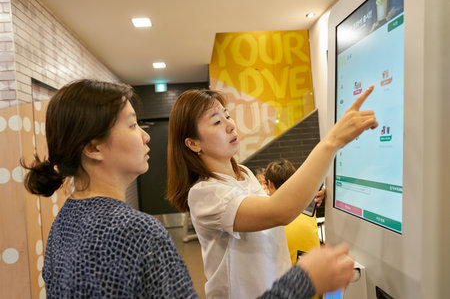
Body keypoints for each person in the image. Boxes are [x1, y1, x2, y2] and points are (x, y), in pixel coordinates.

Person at [22, 79, 353, 299]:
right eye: (133, 124)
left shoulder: (64, 224)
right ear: (93, 148)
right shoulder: (137, 231)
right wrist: (305, 279)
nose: (146, 135)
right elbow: (278, 210)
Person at [167, 86, 377, 298]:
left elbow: (273, 208)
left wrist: (313, 193)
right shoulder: (204, 193)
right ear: (193, 144)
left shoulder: (243, 173)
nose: (230, 125)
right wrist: (333, 141)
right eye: (216, 121)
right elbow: (279, 211)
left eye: (227, 115)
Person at [265, 159, 322, 264]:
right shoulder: (308, 203)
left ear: (270, 184)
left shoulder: (268, 216)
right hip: (317, 271)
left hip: (288, 277)